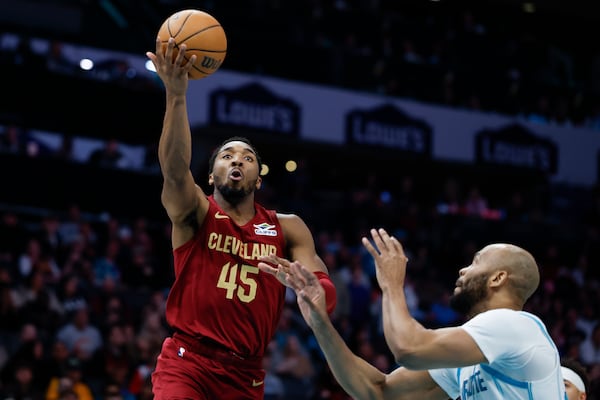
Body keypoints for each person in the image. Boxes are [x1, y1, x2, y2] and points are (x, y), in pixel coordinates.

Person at [145, 36, 336, 400]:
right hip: (188, 362)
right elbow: (173, 171)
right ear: (211, 176)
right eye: (227, 155)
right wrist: (177, 96)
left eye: (247, 158)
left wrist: (313, 291)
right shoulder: (196, 212)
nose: (237, 160)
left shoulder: (288, 226)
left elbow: (323, 289)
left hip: (245, 373)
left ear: (258, 179)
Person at [259, 228, 566, 399]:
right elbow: (378, 391)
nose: (463, 268)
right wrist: (319, 322)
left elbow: (408, 348)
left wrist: (392, 284)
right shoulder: (468, 360)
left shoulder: (516, 325)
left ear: (498, 278)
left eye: (475, 261)